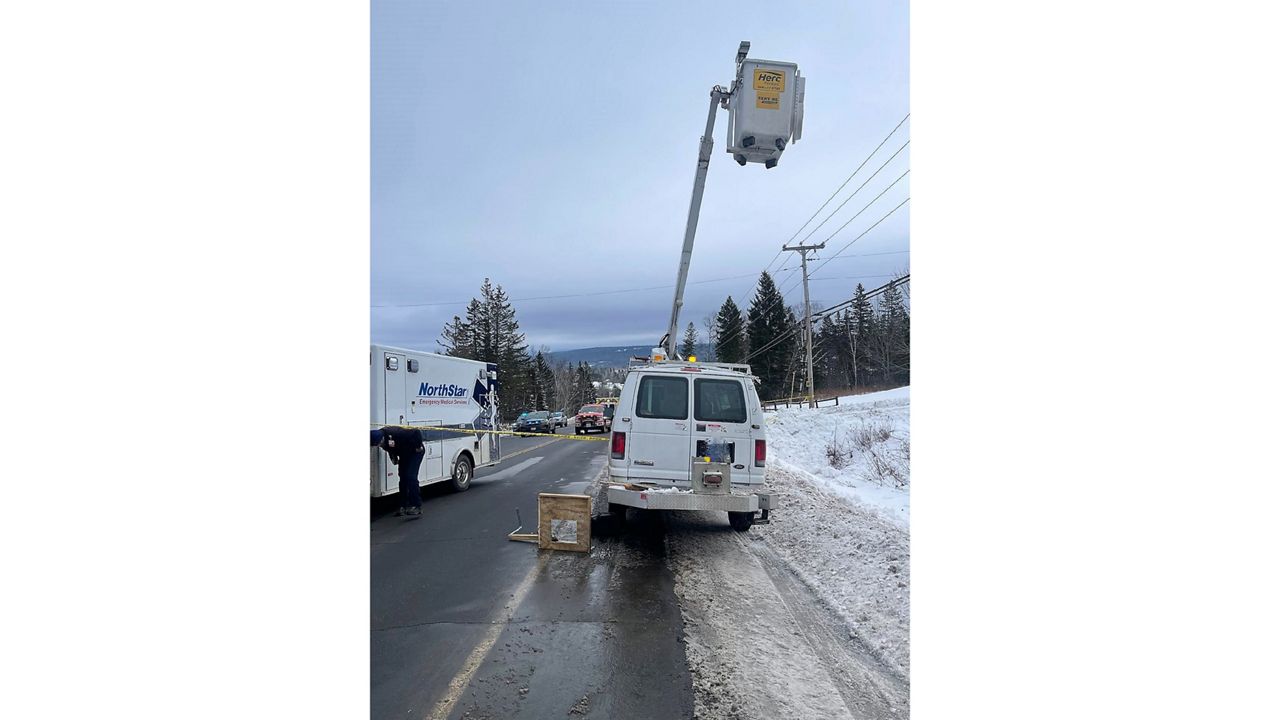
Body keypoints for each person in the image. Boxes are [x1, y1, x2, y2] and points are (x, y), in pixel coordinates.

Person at [378, 425, 425, 517]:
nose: (380, 446)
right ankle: (403, 506)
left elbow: (416, 432)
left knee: (411, 477)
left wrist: (418, 446)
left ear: (382, 438)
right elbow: (390, 448)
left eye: (380, 443)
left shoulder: (395, 433)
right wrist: (394, 457)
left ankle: (417, 506)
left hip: (415, 452)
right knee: (403, 478)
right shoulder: (381, 440)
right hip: (404, 454)